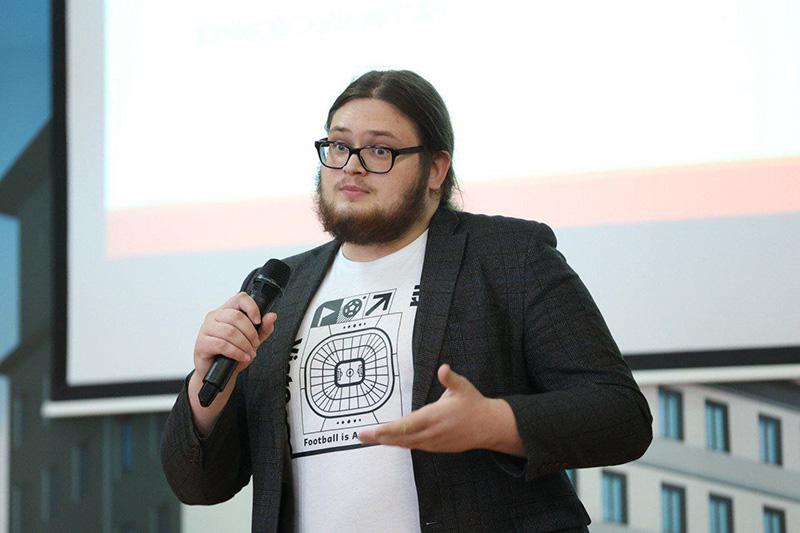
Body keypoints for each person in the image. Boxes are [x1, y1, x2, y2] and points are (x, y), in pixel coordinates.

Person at [161, 70, 653, 532]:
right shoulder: (279, 288)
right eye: (339, 145)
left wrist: (494, 423)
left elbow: (621, 416)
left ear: (435, 169)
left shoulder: (508, 257)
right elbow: (199, 485)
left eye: (380, 150)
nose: (352, 166)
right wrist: (208, 386)